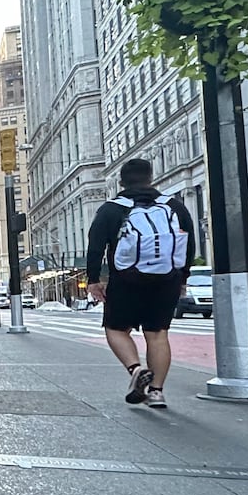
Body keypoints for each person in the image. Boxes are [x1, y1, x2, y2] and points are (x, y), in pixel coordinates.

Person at [85, 158, 196, 410]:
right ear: (151, 178)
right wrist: (183, 277)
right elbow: (188, 244)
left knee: (115, 329)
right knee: (157, 334)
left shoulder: (111, 209)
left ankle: (136, 370)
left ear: (121, 182)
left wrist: (93, 279)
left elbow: (95, 246)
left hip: (126, 280)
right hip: (167, 279)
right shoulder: (174, 206)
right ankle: (156, 392)